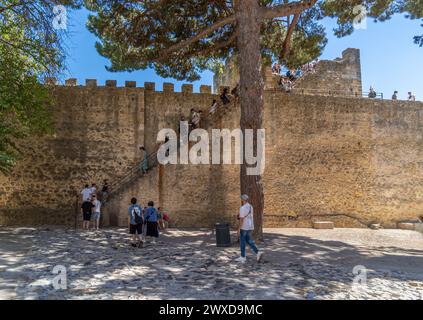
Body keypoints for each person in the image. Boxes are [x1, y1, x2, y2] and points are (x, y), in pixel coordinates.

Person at [235, 194, 263, 264]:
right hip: (249, 226)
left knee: (242, 242)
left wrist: (239, 229)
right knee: (248, 240)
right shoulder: (250, 206)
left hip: (244, 227)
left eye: (241, 199)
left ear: (243, 200)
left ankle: (243, 257)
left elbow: (241, 219)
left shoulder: (242, 208)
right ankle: (258, 252)